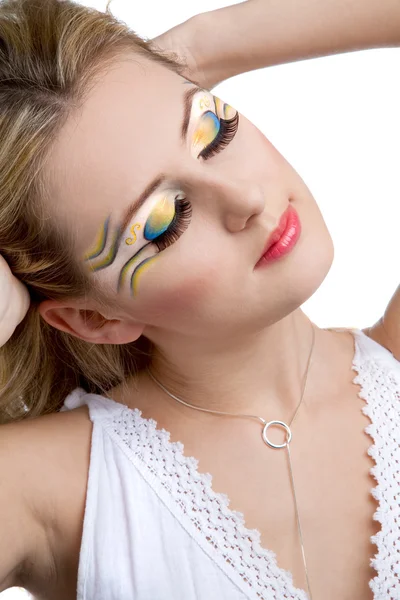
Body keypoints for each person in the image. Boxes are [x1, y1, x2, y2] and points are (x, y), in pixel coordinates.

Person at [0, 0, 399, 598]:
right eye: (164, 222)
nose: (246, 198)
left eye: (212, 131)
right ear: (92, 317)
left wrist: (207, 45)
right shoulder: (43, 487)